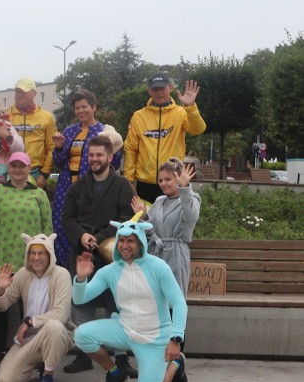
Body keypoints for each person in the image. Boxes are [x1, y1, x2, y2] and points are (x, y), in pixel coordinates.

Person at [73, 218, 188, 382]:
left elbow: (179, 302)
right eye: (121, 240)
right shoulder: (109, 271)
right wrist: (80, 278)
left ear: (141, 243)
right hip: (124, 329)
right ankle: (115, 373)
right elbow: (80, 299)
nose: (124, 245)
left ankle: (175, 364)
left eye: (130, 241)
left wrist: (176, 339)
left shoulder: (158, 267)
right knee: (81, 335)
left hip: (154, 338)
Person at [61, 135, 137, 376]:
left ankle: (122, 357)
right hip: (82, 252)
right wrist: (82, 236)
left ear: (110, 157)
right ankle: (84, 353)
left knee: (116, 304)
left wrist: (102, 236)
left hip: (111, 255)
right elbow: (67, 218)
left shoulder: (123, 186)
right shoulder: (77, 187)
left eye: (99, 155)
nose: (94, 159)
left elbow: (127, 219)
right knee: (82, 305)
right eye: (91, 155)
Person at [0, 151, 52, 364]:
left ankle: (33, 347)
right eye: (13, 165)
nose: (17, 169)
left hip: (31, 259)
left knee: (30, 304)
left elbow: (47, 226)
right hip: (2, 255)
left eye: (21, 166)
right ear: (8, 168)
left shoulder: (39, 194)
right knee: (0, 304)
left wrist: (48, 255)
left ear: (28, 167)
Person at [0, 234, 73, 382]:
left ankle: (48, 375)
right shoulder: (23, 274)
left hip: (55, 336)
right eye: (32, 253)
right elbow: (2, 307)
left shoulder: (61, 274)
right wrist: (0, 290)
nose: (36, 258)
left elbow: (61, 314)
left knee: (54, 326)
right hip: (28, 340)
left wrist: (31, 322)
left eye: (41, 253)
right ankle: (37, 364)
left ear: (50, 254)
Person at [52, 89, 124, 267]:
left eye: (84, 107)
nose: (81, 111)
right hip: (66, 188)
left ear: (94, 107)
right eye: (77, 108)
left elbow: (113, 160)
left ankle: (88, 274)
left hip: (93, 189)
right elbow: (60, 163)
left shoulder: (105, 132)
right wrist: (59, 148)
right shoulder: (69, 131)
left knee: (87, 229)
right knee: (62, 229)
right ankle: (65, 272)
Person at [124, 73, 206, 202]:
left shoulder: (181, 113)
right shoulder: (138, 116)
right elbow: (130, 148)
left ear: (170, 88)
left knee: (172, 220)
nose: (159, 92)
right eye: (155, 89)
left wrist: (190, 107)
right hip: (145, 184)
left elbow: (198, 129)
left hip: (173, 180)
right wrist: (128, 179)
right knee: (145, 221)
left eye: (162, 88)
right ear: (149, 91)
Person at [131, 158, 201, 297]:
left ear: (178, 178)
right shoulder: (159, 201)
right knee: (153, 300)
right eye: (160, 180)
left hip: (176, 255)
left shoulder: (192, 198)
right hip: (155, 255)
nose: (163, 184)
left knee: (173, 300)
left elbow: (191, 217)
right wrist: (142, 217)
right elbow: (149, 231)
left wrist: (185, 189)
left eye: (168, 179)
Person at [7, 78, 56, 188]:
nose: (19, 95)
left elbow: (51, 147)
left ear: (34, 94)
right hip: (11, 173)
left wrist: (44, 174)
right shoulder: (5, 115)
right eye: (17, 91)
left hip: (36, 174)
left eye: (23, 92)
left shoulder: (46, 117)